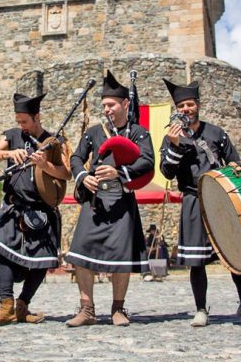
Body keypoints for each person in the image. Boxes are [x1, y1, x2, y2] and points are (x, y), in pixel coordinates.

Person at [159, 78, 241, 327]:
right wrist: (174, 147)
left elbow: (235, 164)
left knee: (235, 253)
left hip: (222, 201)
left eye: (189, 104)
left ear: (197, 105)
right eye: (181, 106)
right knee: (197, 260)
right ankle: (200, 310)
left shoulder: (216, 133)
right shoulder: (170, 138)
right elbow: (166, 172)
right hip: (193, 200)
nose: (185, 109)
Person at [63, 70, 154, 327]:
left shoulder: (139, 132)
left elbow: (147, 161)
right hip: (95, 202)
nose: (107, 110)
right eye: (104, 105)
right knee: (80, 253)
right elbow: (76, 157)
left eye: (111, 105)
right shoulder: (94, 132)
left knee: (121, 259)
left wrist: (119, 172)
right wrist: (82, 176)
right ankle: (87, 310)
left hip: (122, 203)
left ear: (125, 104)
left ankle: (118, 309)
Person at [0, 93, 72, 325]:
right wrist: (9, 153)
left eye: (24, 121)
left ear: (36, 117)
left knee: (43, 259)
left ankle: (22, 305)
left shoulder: (54, 141)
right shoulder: (13, 135)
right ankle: (5, 305)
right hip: (14, 206)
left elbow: (66, 173)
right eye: (18, 121)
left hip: (41, 210)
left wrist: (45, 164)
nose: (21, 126)